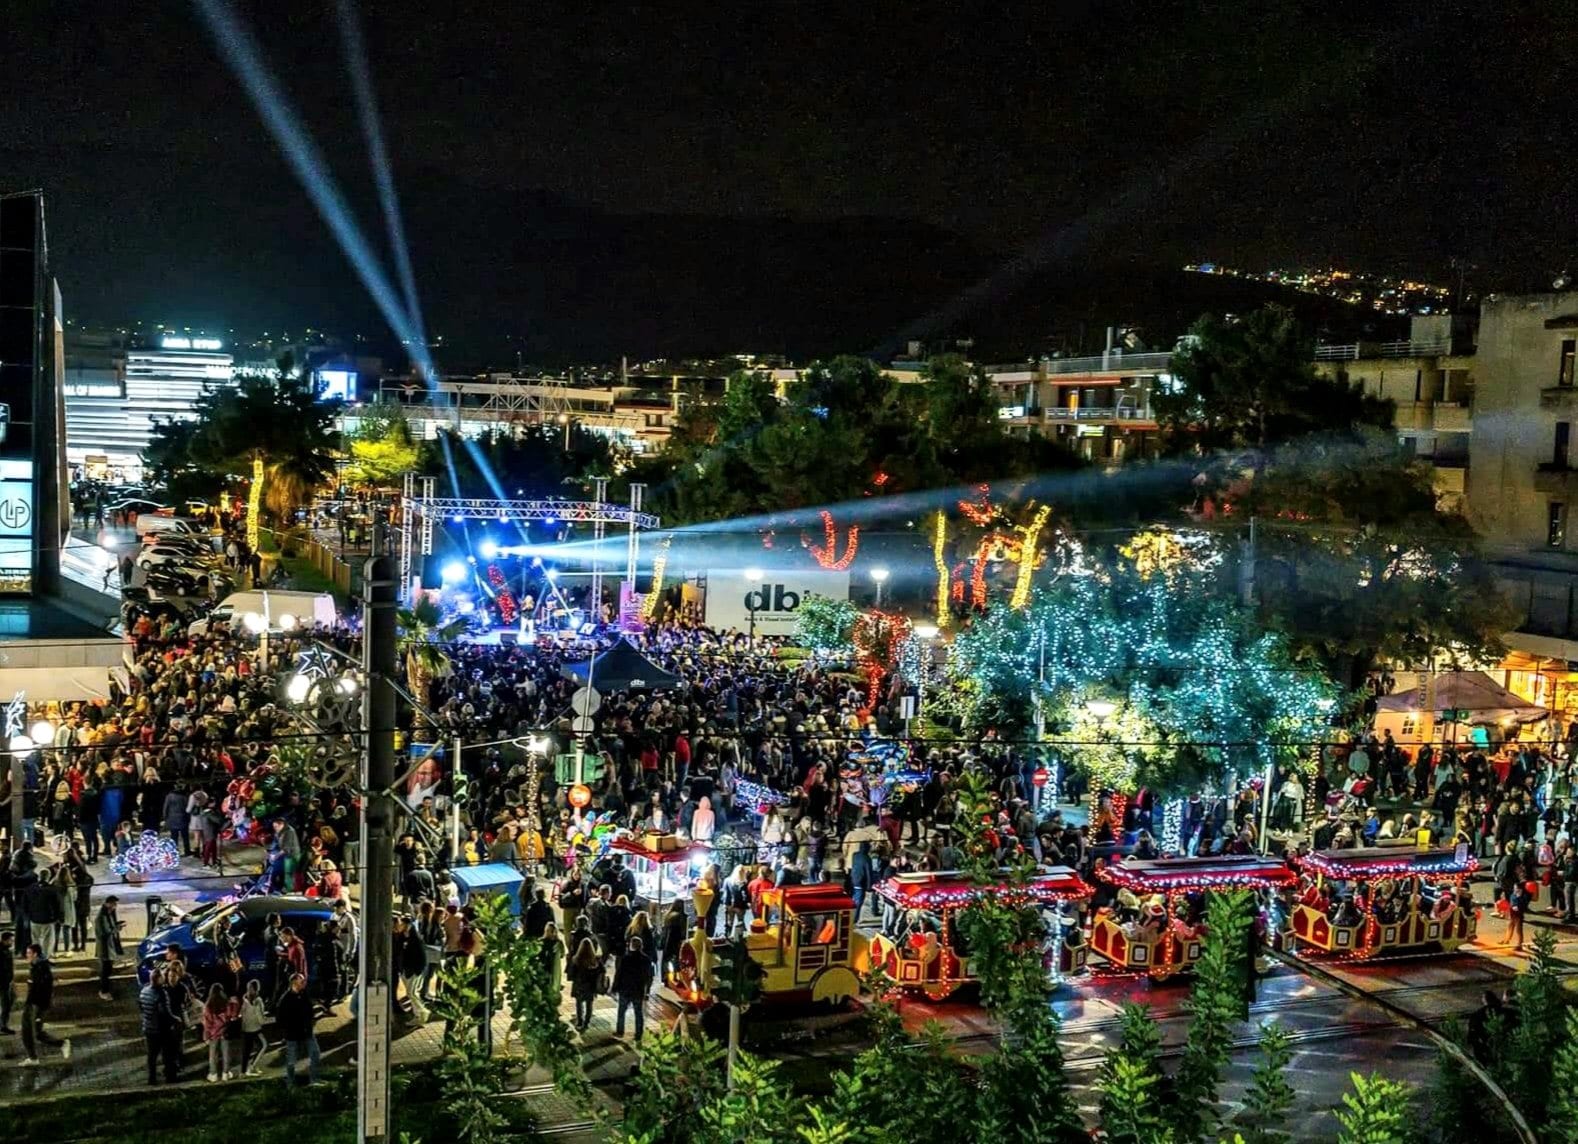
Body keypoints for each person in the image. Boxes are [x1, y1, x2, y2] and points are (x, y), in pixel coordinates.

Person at [275, 973, 321, 1087]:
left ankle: (314, 1080)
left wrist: (310, 1022)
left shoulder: (304, 994)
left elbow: (309, 1009)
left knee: (315, 1053)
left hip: (307, 1032)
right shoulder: (285, 999)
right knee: (291, 1060)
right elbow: (280, 1018)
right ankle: (290, 1083)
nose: (304, 983)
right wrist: (288, 1029)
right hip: (293, 1034)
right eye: (302, 981)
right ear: (294, 982)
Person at [19, 942, 60, 1066]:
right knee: (33, 1032)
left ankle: (34, 1057)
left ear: (35, 954)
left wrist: (39, 1005)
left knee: (30, 1031)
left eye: (29, 953)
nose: (27, 955)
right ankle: (33, 1057)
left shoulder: (40, 968)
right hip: (34, 1003)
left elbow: (43, 989)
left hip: (36, 1004)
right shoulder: (36, 965)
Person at [613, 935, 654, 1040]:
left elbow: (619, 974)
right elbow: (649, 977)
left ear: (631, 945)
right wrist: (647, 990)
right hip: (638, 989)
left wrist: (615, 987)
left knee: (621, 1011)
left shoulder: (626, 958)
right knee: (638, 1012)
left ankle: (620, 1031)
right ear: (641, 946)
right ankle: (638, 1034)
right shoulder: (646, 960)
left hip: (625, 989)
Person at [139, 967, 175, 1084]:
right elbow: (165, 1012)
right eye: (163, 976)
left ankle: (152, 1078)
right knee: (167, 1054)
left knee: (152, 1055)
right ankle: (170, 1077)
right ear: (159, 979)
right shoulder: (161, 993)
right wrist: (175, 1020)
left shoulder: (144, 991)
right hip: (162, 1029)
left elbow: (141, 1006)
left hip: (148, 1027)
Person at [202, 981, 238, 1081]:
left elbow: (207, 1022)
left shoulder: (208, 1005)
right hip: (224, 1031)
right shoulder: (226, 1003)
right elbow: (232, 1015)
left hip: (213, 1033)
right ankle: (225, 1073)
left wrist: (206, 1035)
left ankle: (213, 1074)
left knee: (213, 1055)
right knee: (226, 1053)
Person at [94, 895, 124, 1000]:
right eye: (114, 904)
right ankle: (104, 991)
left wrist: (117, 925)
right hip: (105, 949)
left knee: (108, 969)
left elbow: (110, 927)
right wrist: (117, 928)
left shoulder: (108, 914)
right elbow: (104, 933)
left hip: (109, 947)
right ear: (108, 904)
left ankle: (105, 990)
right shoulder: (102, 917)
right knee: (105, 971)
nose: (115, 906)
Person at [569, 937, 602, 1030]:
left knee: (579, 1004)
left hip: (579, 985)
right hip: (591, 986)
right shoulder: (595, 960)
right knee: (589, 1004)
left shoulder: (576, 959)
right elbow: (601, 970)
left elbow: (571, 974)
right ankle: (587, 1022)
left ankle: (580, 1021)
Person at [238, 979, 268, 1076]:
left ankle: (243, 1071)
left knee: (246, 1050)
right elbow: (260, 1018)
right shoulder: (258, 1001)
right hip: (255, 1028)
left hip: (245, 1028)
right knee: (263, 1045)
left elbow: (241, 1013)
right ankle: (251, 1067)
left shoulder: (244, 999)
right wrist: (267, 1019)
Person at [539, 921, 566, 996]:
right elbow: (562, 955)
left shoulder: (542, 941)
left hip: (548, 966)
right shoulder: (558, 942)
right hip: (550, 967)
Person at [0, 930, 14, 1035]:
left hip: (6, 982)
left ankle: (3, 1025)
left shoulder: (6, 951)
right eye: (10, 941)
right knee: (6, 1005)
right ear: (4, 940)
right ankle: (3, 1026)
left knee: (7, 1004)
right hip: (3, 982)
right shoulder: (3, 952)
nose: (12, 943)